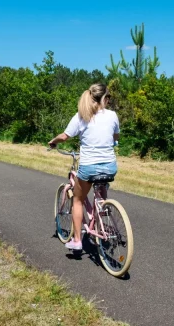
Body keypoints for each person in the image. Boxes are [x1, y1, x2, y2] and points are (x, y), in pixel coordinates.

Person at [48, 83, 120, 251]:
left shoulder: (81, 116)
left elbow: (65, 136)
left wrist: (53, 141)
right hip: (110, 166)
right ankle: (102, 209)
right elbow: (116, 137)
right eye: (108, 98)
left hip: (89, 166)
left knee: (78, 200)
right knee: (100, 186)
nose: (109, 101)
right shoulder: (112, 115)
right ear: (104, 99)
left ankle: (77, 240)